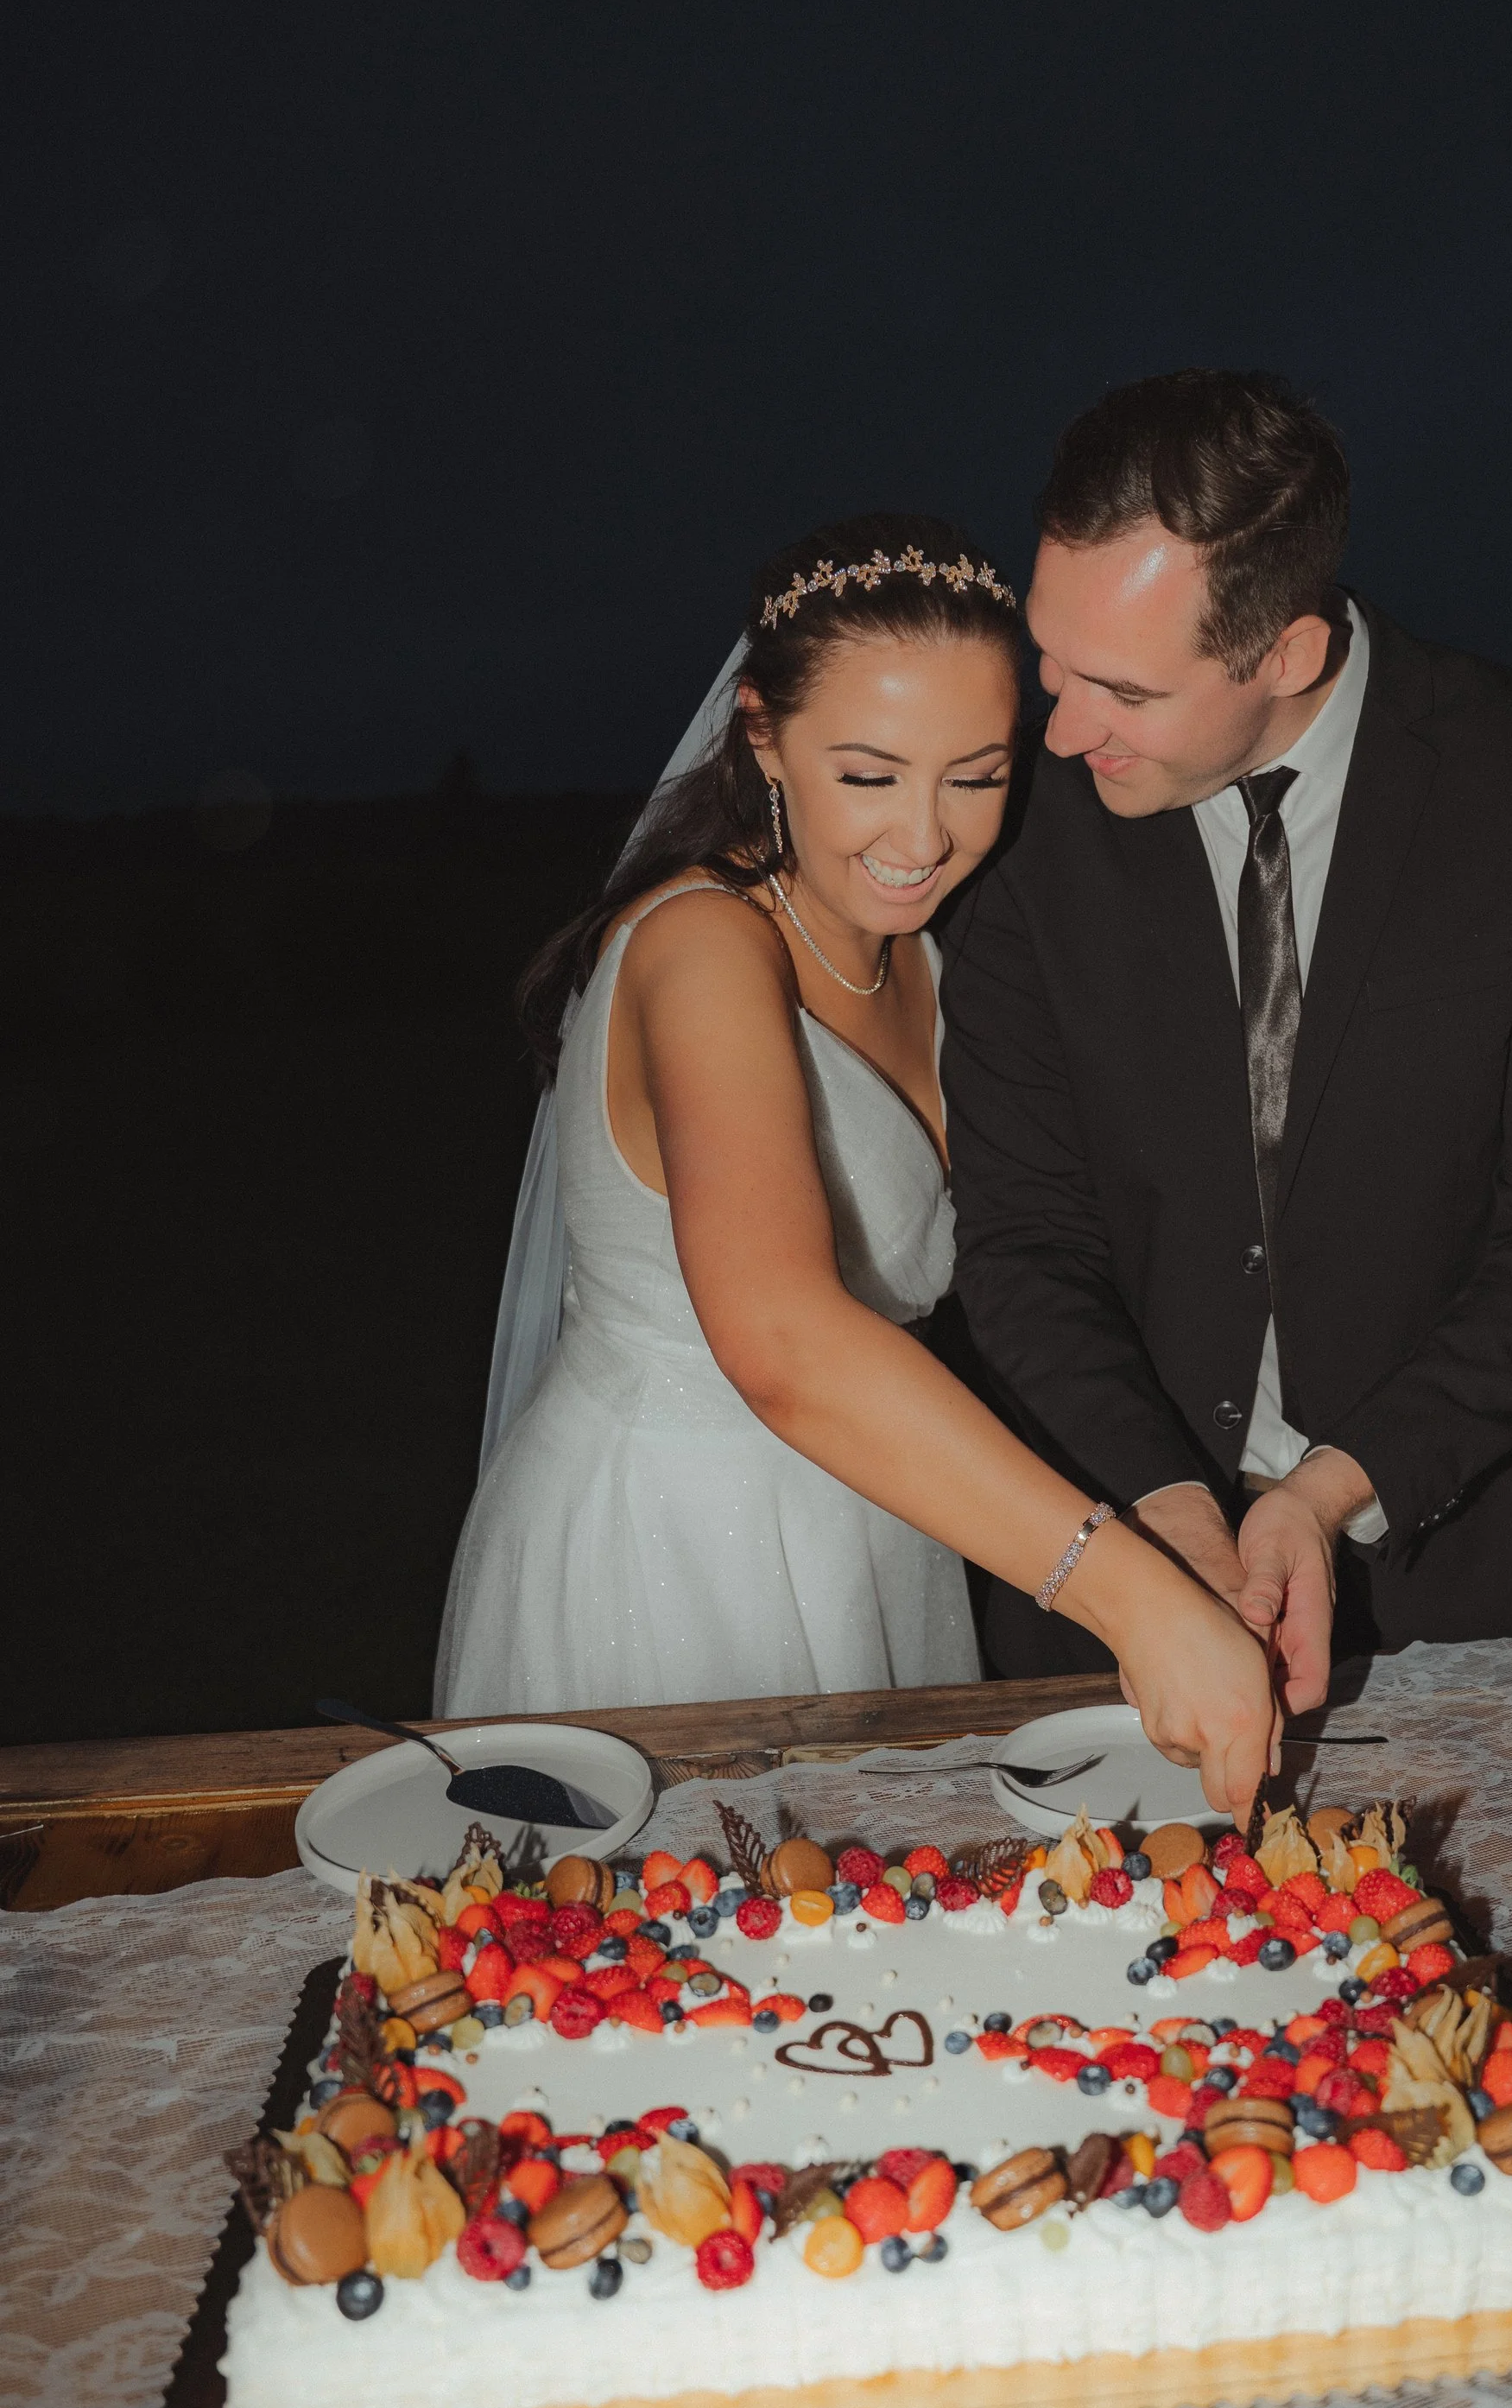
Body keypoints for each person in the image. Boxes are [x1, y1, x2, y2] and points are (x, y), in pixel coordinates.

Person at [436, 510, 1278, 1819]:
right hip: (671, 1551)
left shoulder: (930, 952)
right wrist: (1132, 1597)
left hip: (880, 1515)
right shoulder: (703, 947)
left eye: (977, 775)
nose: (926, 835)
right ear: (763, 734)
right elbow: (779, 1333)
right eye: (871, 774)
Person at [938, 372, 1512, 1710]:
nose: (1057, 728)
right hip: (1106, 1571)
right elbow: (1022, 1234)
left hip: (1461, 1586)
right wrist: (1164, 1509)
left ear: (1285, 654)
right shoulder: (1025, 815)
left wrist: (1331, 1497)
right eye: (1050, 659)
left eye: (1121, 690)